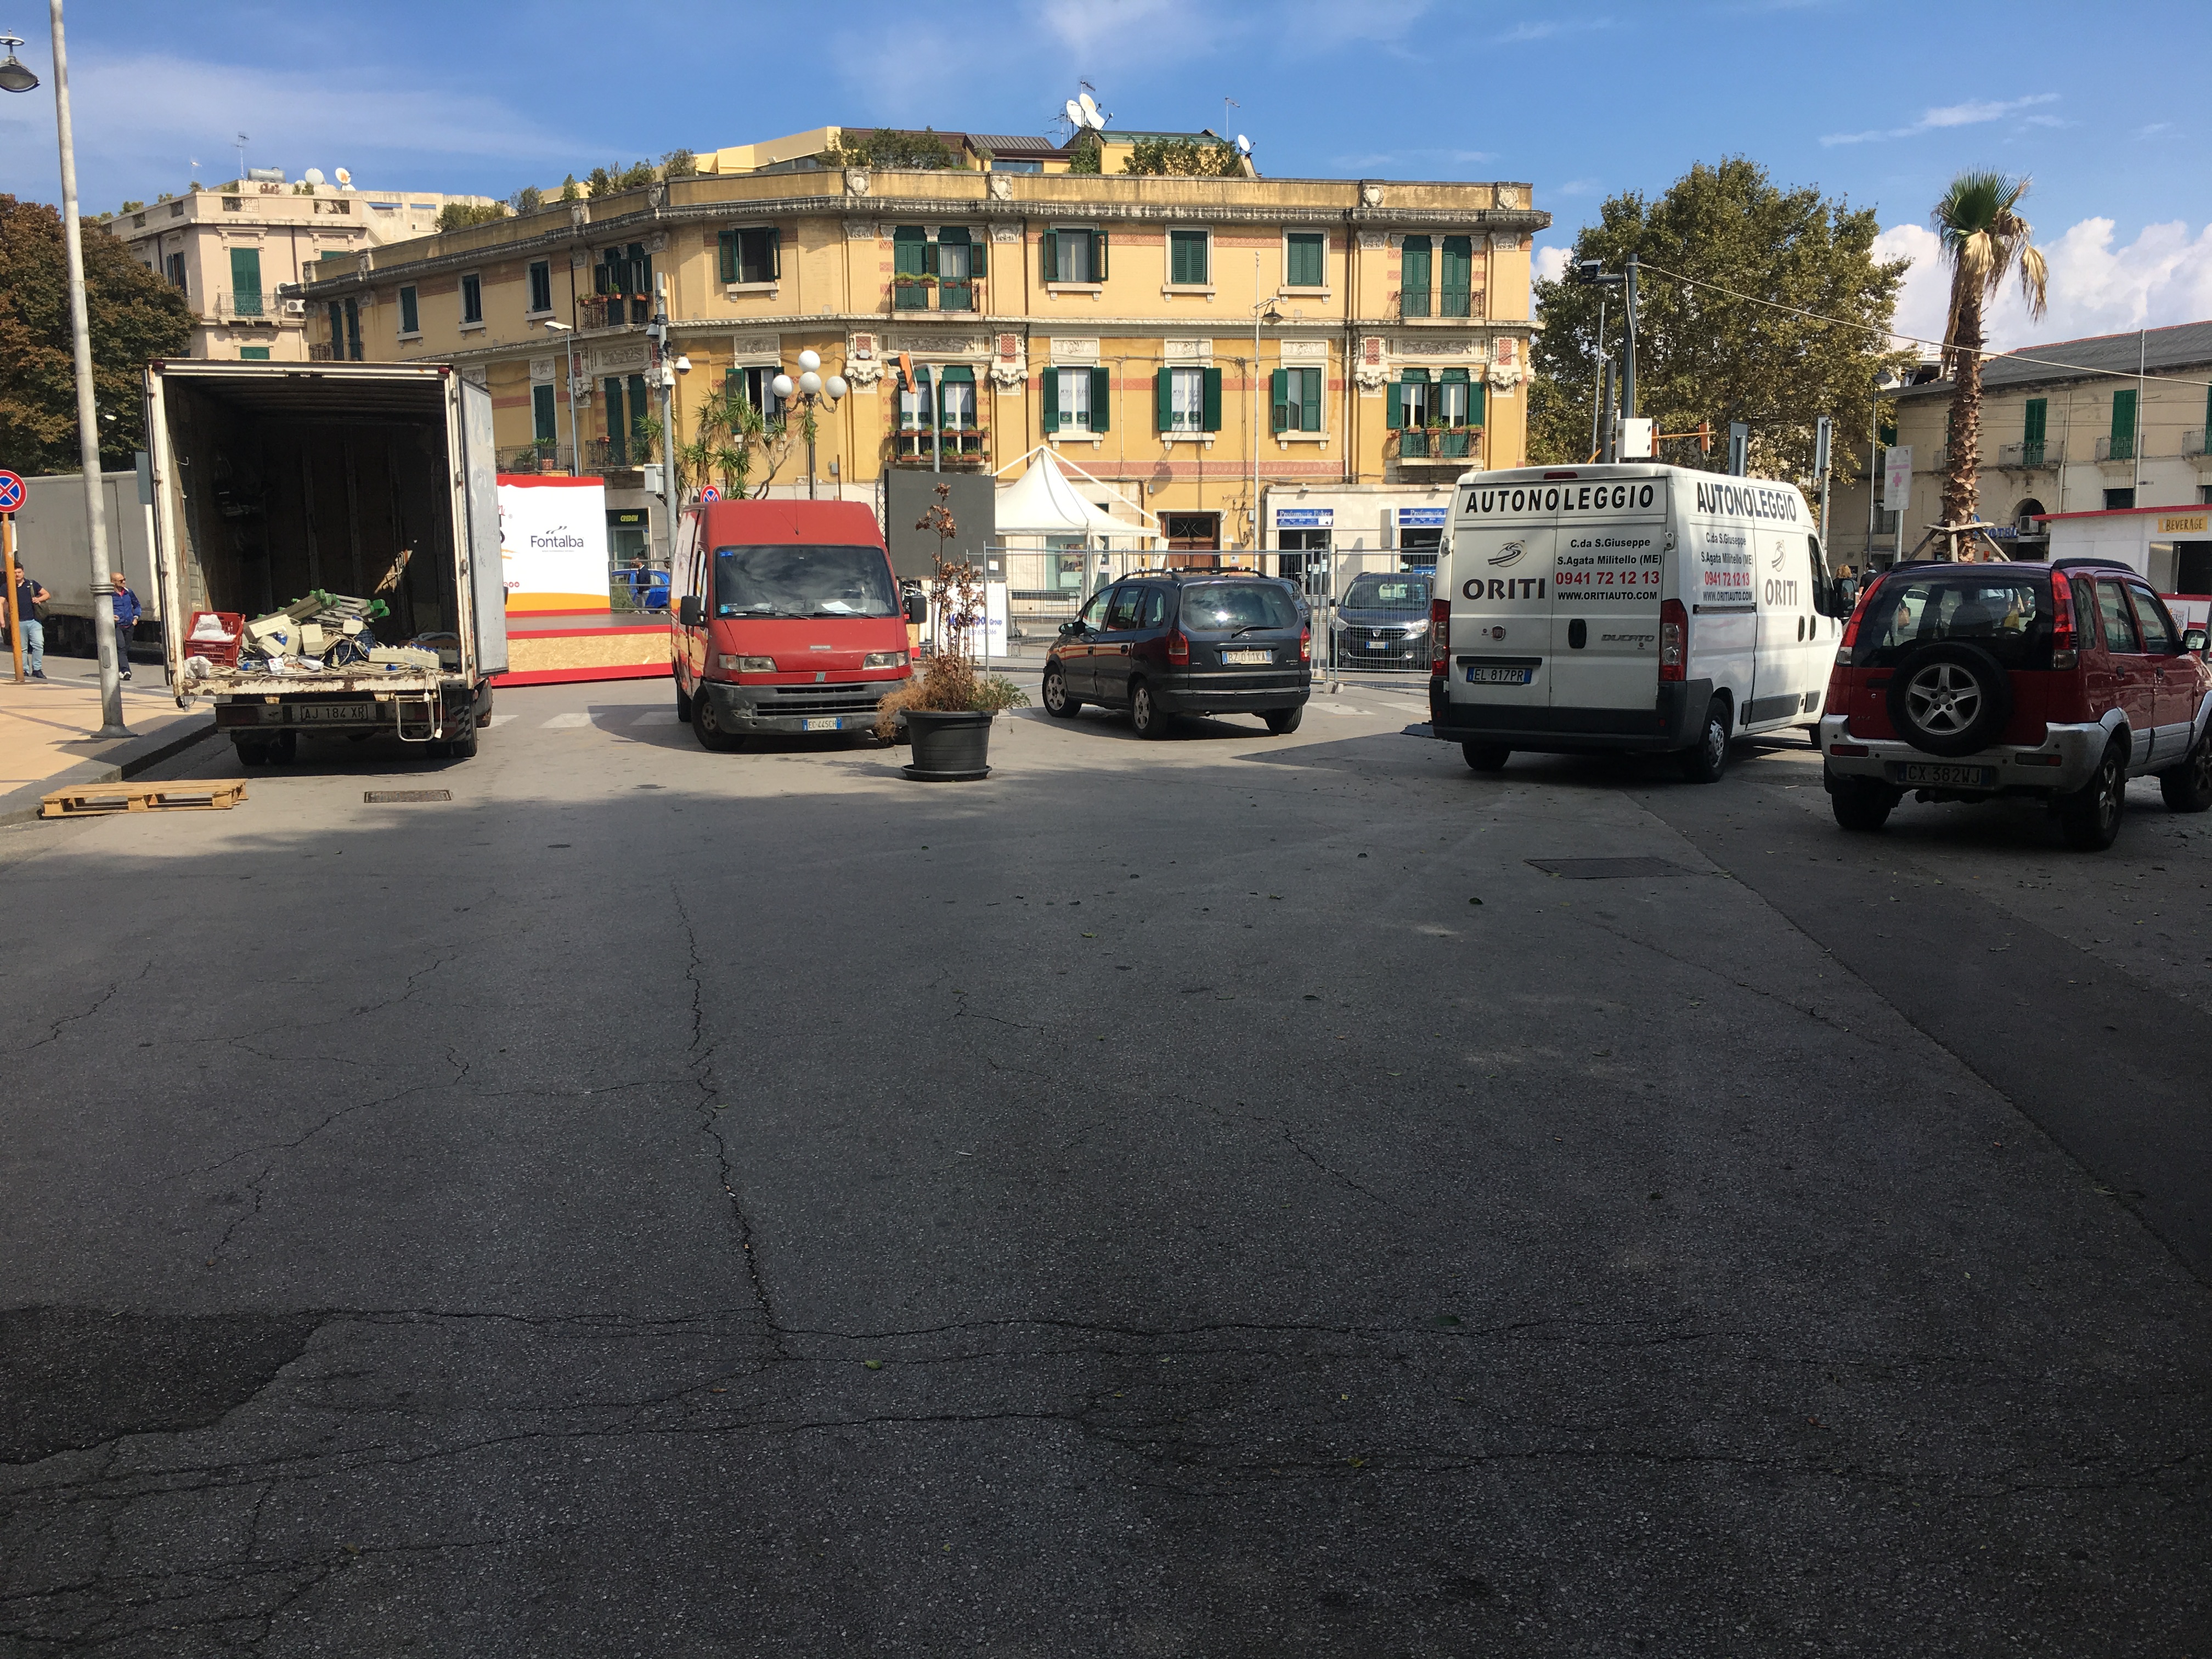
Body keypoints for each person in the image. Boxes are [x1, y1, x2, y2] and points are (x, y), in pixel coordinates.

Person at [12, 566, 47, 679]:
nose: (17, 575)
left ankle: (37, 669)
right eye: (15, 573)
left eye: (19, 572)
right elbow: (1, 601)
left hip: (34, 621)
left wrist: (39, 599)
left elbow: (47, 594)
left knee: (38, 645)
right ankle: (24, 670)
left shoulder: (32, 584)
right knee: (22, 648)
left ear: (23, 572)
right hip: (18, 622)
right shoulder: (8, 586)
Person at [110, 572, 140, 681]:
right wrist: (110, 616)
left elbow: (137, 605)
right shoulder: (109, 595)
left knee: (126, 649)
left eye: (124, 580)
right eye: (121, 581)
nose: (124, 582)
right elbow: (103, 608)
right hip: (117, 625)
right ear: (113, 582)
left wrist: (136, 618)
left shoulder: (128, 592)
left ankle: (119, 669)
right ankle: (126, 670)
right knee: (121, 647)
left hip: (129, 624)